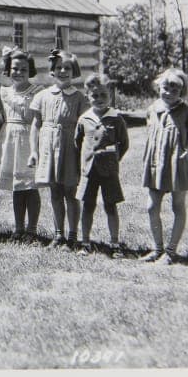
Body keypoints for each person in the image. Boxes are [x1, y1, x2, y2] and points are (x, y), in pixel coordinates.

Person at [140, 68, 188, 265]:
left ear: (181, 91)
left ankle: (170, 251)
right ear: (159, 87)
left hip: (179, 162)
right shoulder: (152, 109)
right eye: (165, 88)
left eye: (174, 90)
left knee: (178, 205)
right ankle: (157, 248)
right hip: (156, 162)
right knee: (152, 206)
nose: (168, 92)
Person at [27, 49, 84, 249]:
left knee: (71, 192)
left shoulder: (79, 97)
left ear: (74, 71)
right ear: (52, 71)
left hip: (70, 149)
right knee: (55, 192)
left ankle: (73, 235)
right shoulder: (43, 96)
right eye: (58, 67)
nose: (62, 71)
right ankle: (58, 234)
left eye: (67, 68)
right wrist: (34, 151)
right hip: (48, 148)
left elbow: (84, 127)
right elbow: (35, 124)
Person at [75, 73, 129, 257]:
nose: (99, 99)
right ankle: (85, 242)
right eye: (94, 95)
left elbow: (124, 143)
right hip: (89, 171)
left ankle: (114, 243)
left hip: (109, 172)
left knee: (110, 205)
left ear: (111, 96)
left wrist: (114, 160)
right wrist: (85, 160)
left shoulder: (116, 119)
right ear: (87, 96)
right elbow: (78, 142)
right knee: (87, 205)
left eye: (103, 95)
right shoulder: (84, 119)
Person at [0, 47, 42, 243]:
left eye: (23, 69)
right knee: (17, 187)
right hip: (10, 140)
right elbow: (1, 118)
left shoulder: (37, 92)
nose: (19, 73)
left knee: (30, 186)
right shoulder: (3, 93)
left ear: (30, 71)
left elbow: (39, 120)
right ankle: (19, 227)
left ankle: (32, 229)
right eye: (15, 68)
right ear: (8, 69)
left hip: (28, 140)